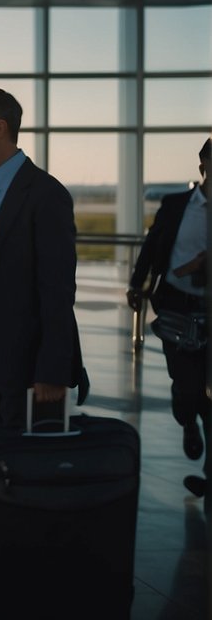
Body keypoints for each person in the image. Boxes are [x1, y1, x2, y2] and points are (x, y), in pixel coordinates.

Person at [0, 86, 86, 439]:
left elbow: (56, 289)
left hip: (20, 361)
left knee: (19, 471)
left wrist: (52, 369)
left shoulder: (45, 194)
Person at [127, 137, 208, 493]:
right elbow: (152, 245)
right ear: (203, 165)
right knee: (187, 386)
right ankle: (188, 420)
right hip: (176, 304)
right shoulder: (177, 205)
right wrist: (136, 283)